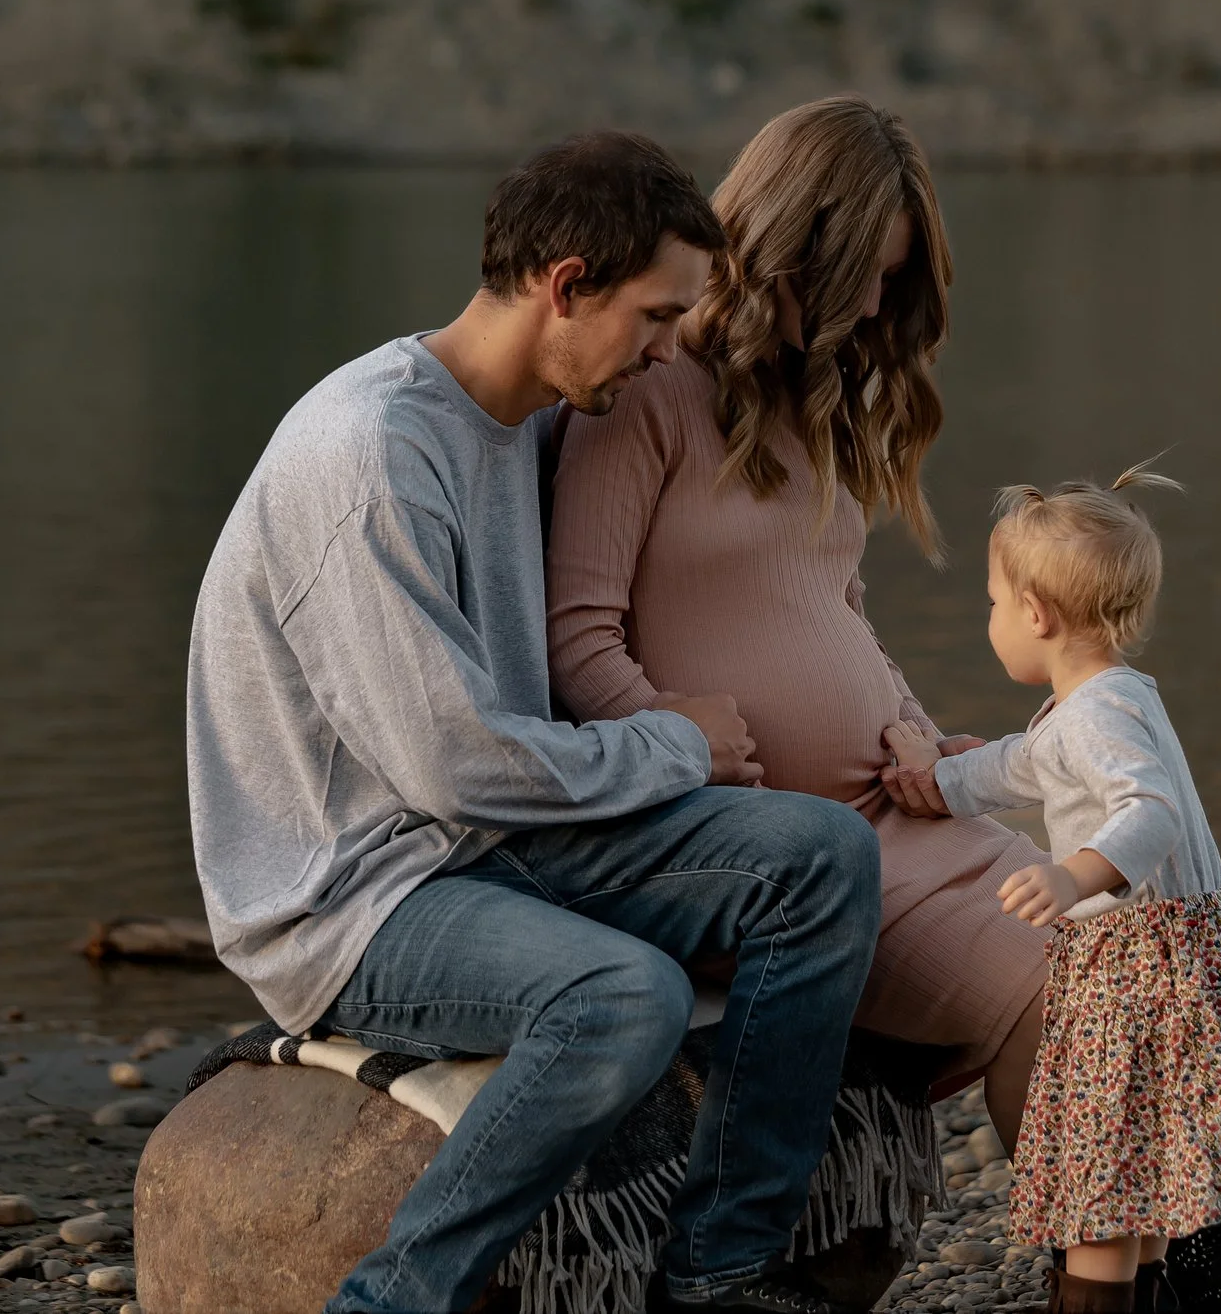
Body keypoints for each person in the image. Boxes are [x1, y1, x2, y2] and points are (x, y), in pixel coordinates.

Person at [185, 130, 883, 1314]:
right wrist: (676, 741)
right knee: (624, 996)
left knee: (820, 860)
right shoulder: (372, 457)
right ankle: (391, 1298)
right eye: (657, 318)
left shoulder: (519, 418)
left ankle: (719, 1270)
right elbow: (453, 763)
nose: (671, 351)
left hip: (493, 846)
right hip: (358, 894)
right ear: (567, 285)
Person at [546, 95, 1058, 1139]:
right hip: (791, 866)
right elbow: (574, 637)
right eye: (865, 271)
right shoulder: (646, 386)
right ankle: (1117, 1283)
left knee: (1127, 955)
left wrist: (921, 730)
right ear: (790, 244)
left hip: (903, 820)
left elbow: (837, 609)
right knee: (1057, 994)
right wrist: (678, 745)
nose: (875, 305)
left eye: (892, 277)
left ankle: (1192, 1268)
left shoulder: (808, 398)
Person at [880, 466, 1221, 1314]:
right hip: (1192, 958)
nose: (990, 619)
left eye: (991, 603)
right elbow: (1014, 767)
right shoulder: (1105, 698)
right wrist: (935, 778)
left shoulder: (1098, 717)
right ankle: (1158, 1296)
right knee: (1152, 1158)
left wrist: (1074, 872)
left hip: (1144, 968)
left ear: (1035, 614)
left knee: (1100, 1174)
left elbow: (1150, 809)